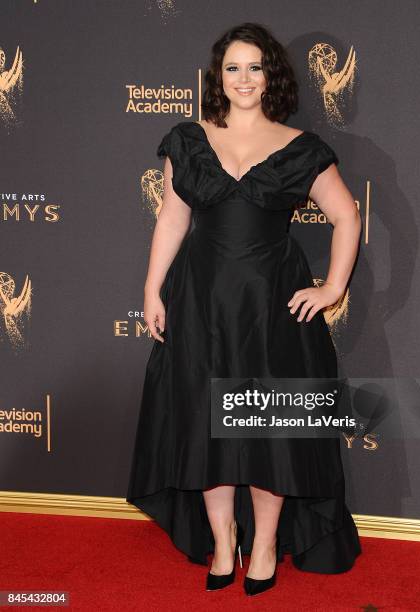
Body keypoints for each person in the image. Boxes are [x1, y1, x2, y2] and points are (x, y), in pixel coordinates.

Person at [126, 22, 362, 596]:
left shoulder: (300, 146)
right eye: (233, 67)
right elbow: (172, 219)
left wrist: (331, 287)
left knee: (269, 429)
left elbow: (347, 216)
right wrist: (152, 289)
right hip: (200, 304)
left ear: (271, 76)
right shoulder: (187, 140)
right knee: (205, 428)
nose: (244, 79)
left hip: (271, 310)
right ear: (218, 77)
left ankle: (264, 546)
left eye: (255, 67)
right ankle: (223, 540)